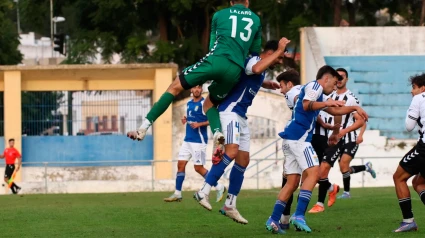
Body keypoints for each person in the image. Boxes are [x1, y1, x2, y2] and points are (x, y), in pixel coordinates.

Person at [127, 0, 262, 162]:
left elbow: (212, 46)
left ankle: (143, 128)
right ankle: (218, 132)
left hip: (216, 60)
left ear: (231, 1)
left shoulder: (219, 15)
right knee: (209, 103)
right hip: (235, 70)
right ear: (247, 1)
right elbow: (254, 56)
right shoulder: (256, 19)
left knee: (174, 87)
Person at [193, 38, 290, 225]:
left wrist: (265, 83)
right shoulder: (254, 60)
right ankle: (203, 191)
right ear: (269, 52)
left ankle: (230, 204)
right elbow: (254, 68)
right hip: (230, 112)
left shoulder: (260, 70)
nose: (279, 60)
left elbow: (251, 76)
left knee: (243, 160)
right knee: (232, 151)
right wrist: (280, 50)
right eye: (278, 57)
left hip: (241, 116)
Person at [265, 65, 369, 234]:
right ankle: (298, 215)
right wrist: (328, 102)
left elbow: (334, 109)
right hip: (299, 139)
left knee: (291, 183)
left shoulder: (317, 92)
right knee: (316, 173)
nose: (335, 87)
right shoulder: (315, 86)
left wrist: (355, 108)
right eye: (334, 83)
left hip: (291, 139)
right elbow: (307, 105)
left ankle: (273, 219)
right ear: (326, 78)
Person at [308, 68, 376, 213]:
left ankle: (321, 203)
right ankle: (333, 188)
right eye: (337, 77)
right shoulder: (327, 93)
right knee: (317, 171)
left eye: (342, 77)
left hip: (340, 139)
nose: (339, 80)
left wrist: (343, 132)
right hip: (323, 136)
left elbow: (360, 121)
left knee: (330, 167)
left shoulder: (350, 98)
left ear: (347, 79)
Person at [163, 85, 226, 203]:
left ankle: (219, 187)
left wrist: (200, 124)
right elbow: (192, 116)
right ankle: (177, 193)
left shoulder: (205, 103)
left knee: (198, 168)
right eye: (194, 88)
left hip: (199, 141)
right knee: (180, 165)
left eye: (199, 88)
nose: (196, 90)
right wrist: (186, 119)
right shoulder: (189, 103)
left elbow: (212, 119)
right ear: (191, 90)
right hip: (188, 140)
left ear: (201, 90)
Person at [392, 73, 425, 232]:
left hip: (424, 148)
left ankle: (408, 221)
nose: (412, 91)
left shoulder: (418, 99)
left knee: (398, 177)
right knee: (419, 183)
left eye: (414, 87)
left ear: (422, 88)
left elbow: (409, 126)